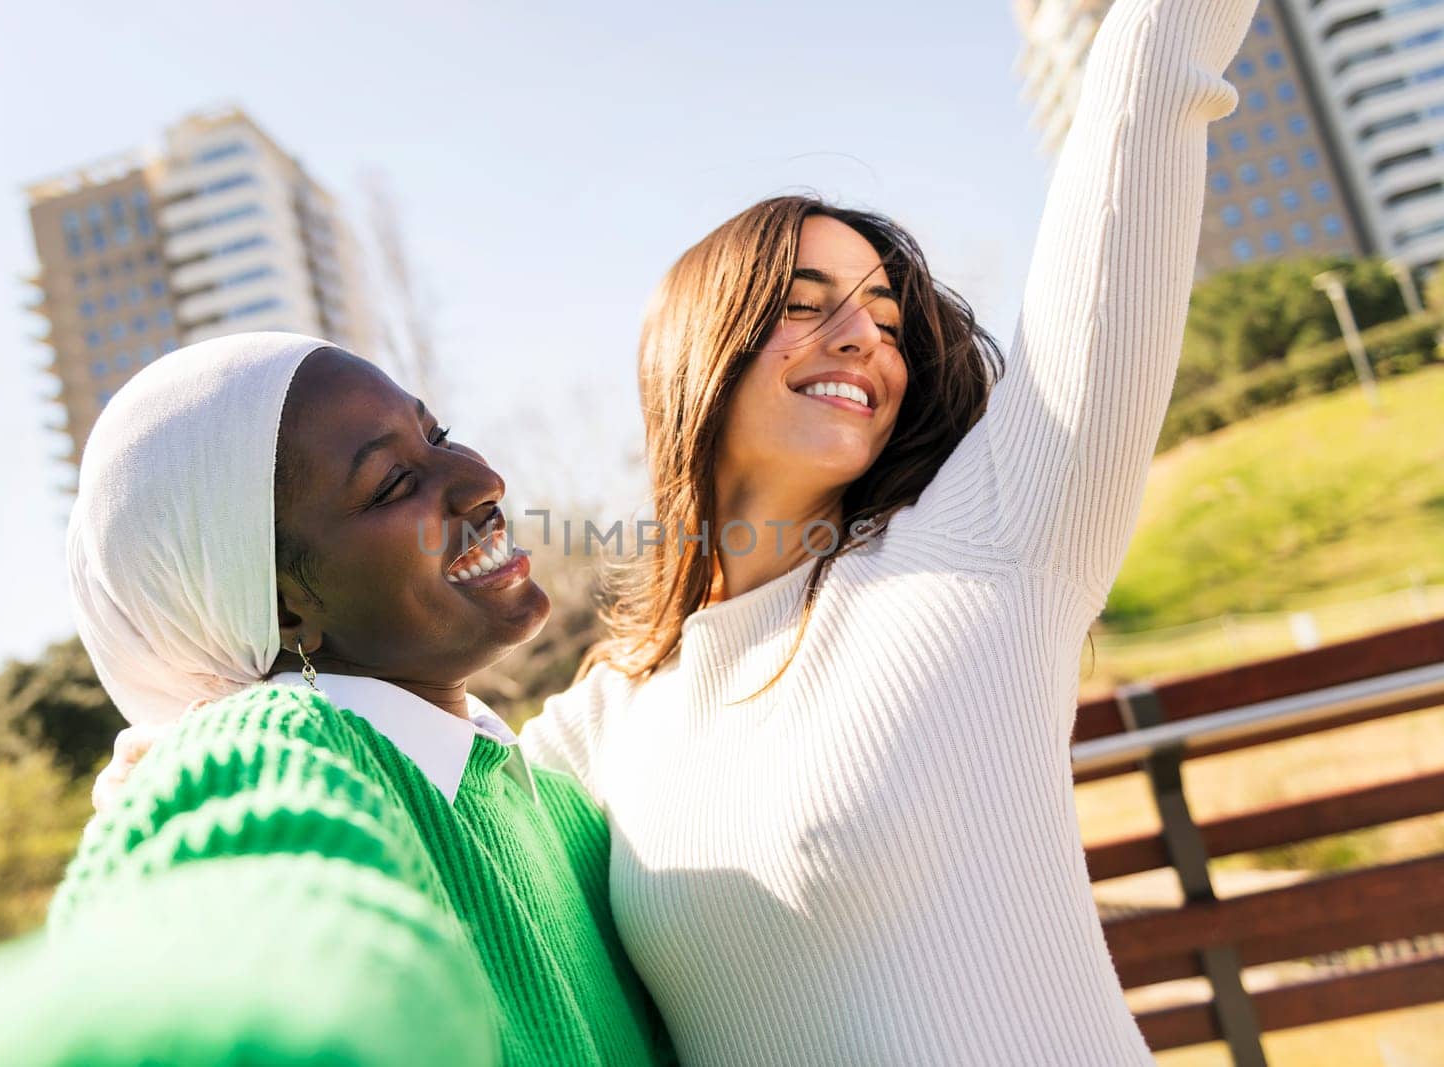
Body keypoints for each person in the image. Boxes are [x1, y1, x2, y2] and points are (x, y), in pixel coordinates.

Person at [519, 1, 1258, 1063]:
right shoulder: (614, 714)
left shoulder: (992, 537)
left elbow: (1142, 93)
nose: (862, 332)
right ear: (696, 350)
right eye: (805, 299)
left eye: (888, 318)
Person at [0, 334, 670, 1067]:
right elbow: (244, 948)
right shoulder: (273, 748)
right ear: (280, 607)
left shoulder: (559, 802)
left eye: (438, 434)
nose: (483, 478)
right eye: (392, 483)